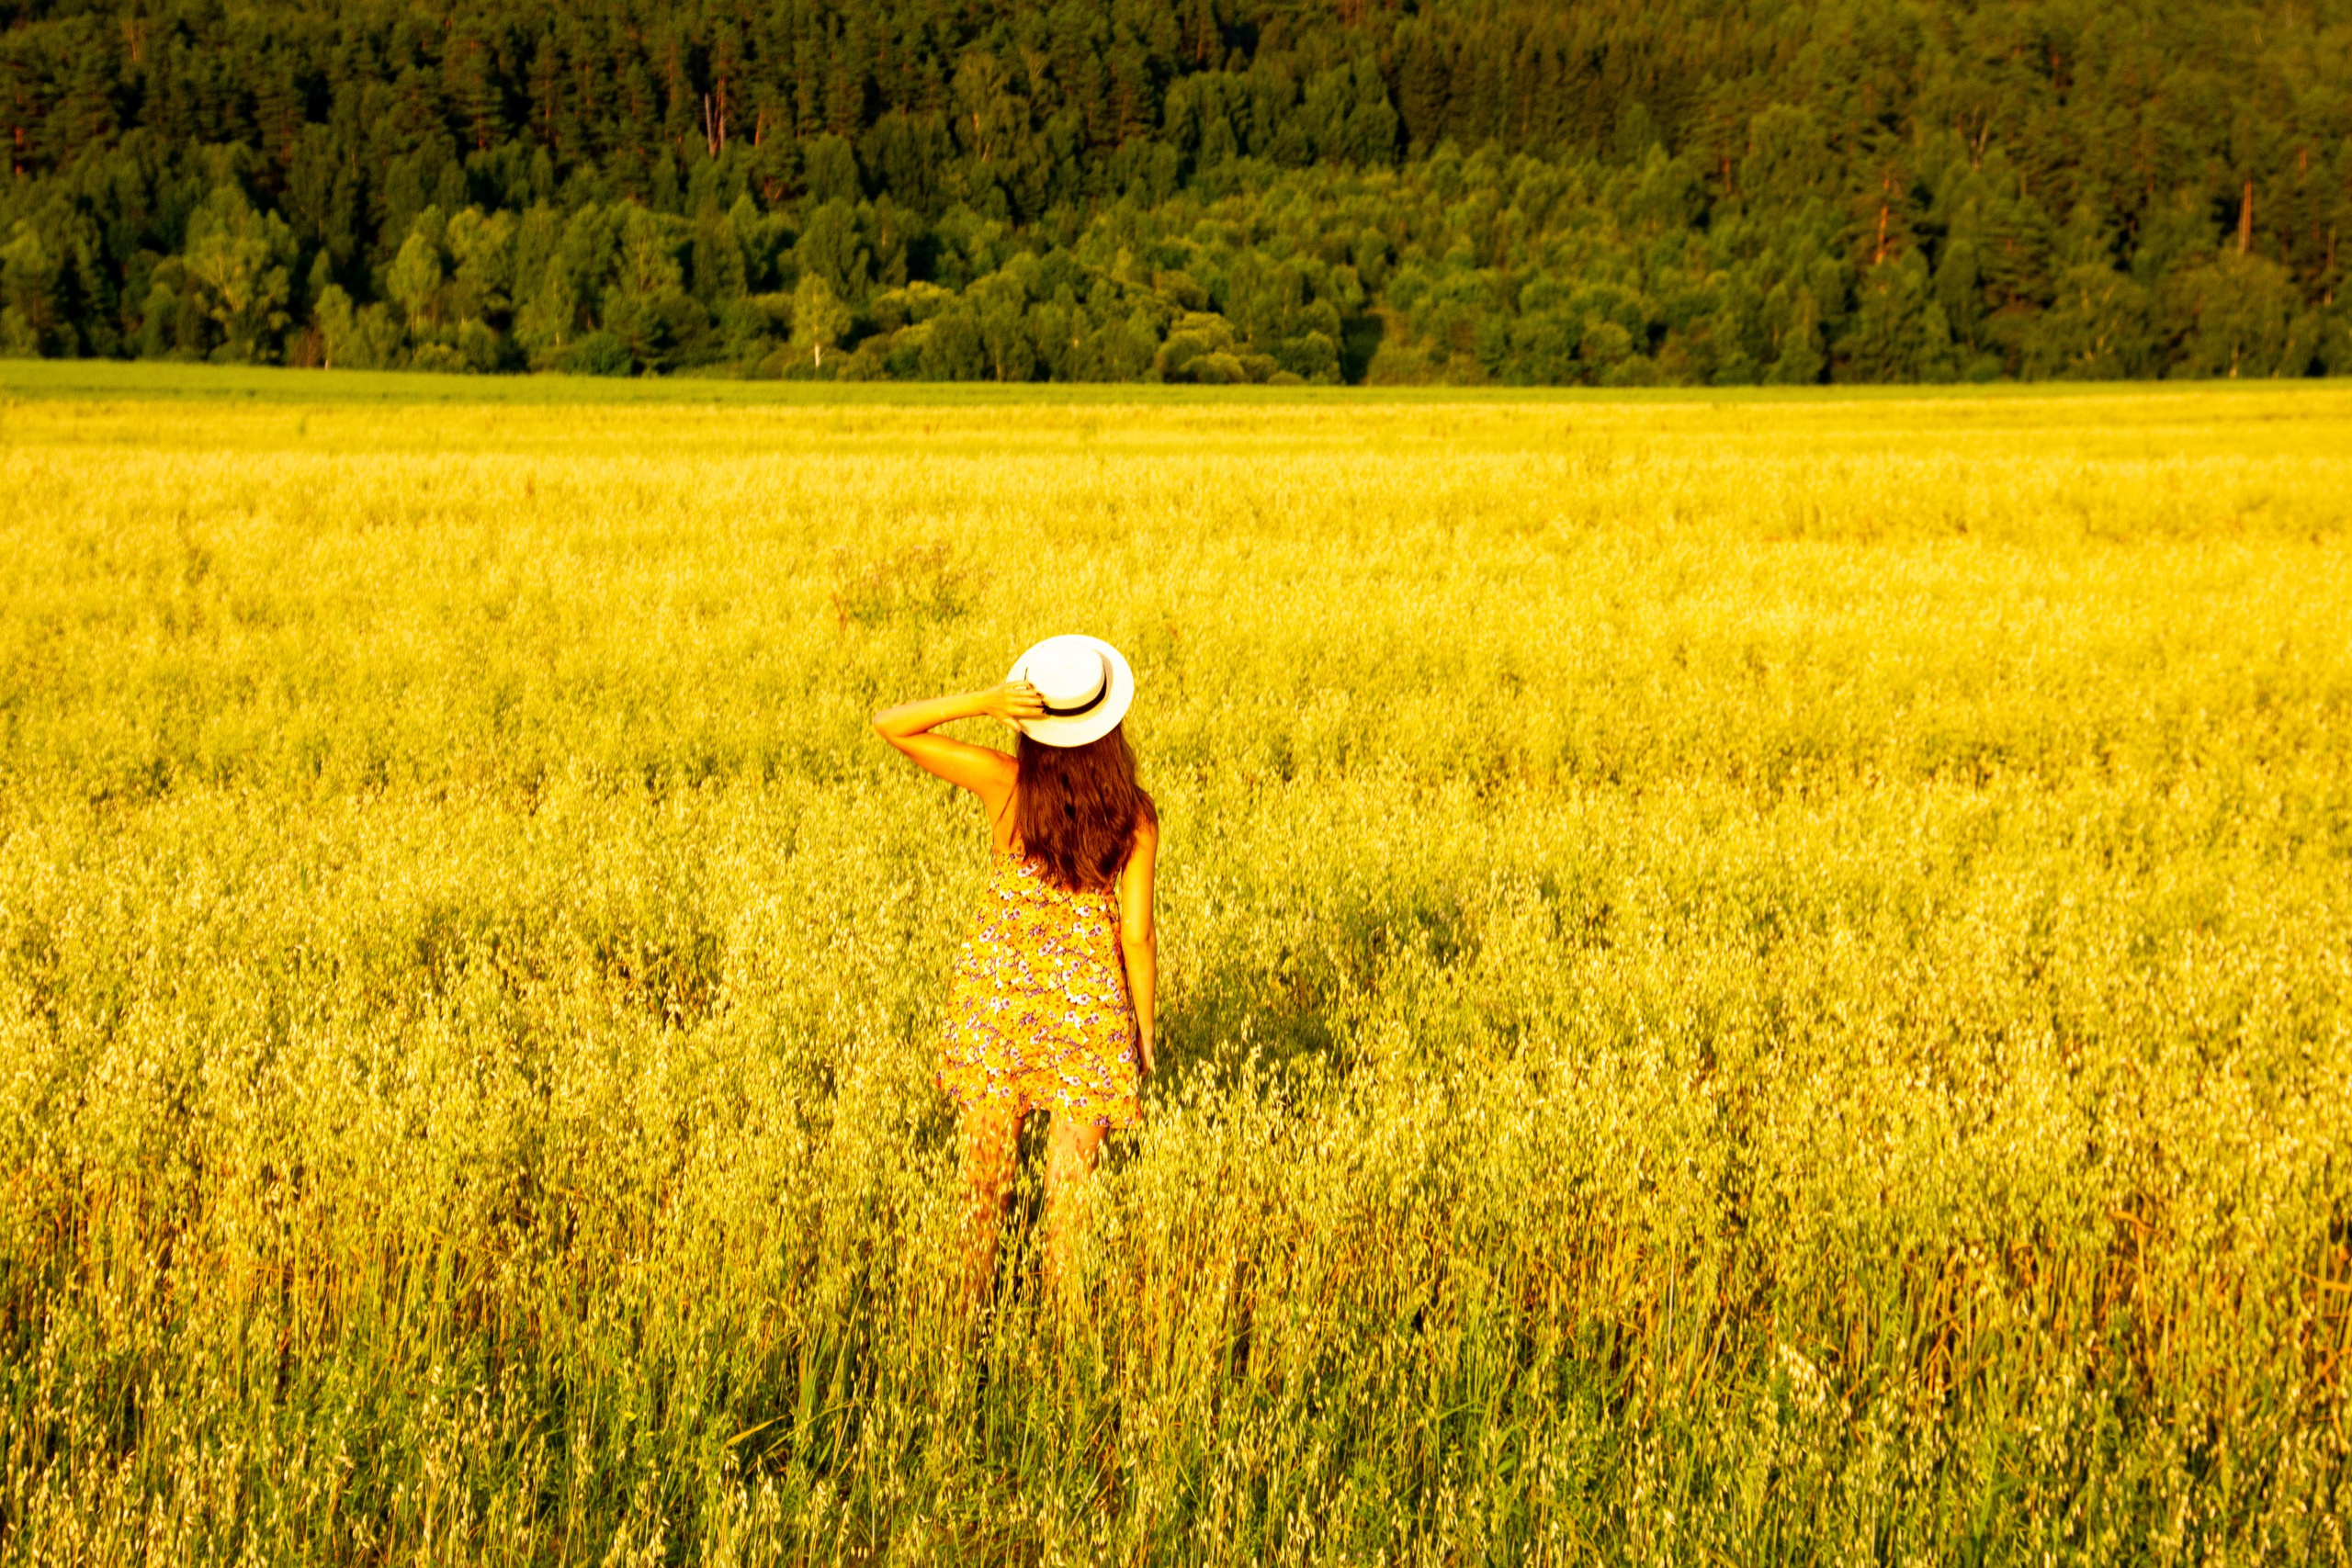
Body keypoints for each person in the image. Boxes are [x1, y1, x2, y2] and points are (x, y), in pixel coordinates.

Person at [871, 634, 1158, 1306]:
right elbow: (1137, 933)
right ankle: (1062, 1358)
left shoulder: (1006, 780)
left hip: (997, 997)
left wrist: (985, 701)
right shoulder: (1135, 812)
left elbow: (891, 724)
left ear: (1032, 721)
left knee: (982, 1192)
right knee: (1070, 1206)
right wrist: (1142, 1029)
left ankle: (961, 1333)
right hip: (1087, 1006)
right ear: (1108, 724)